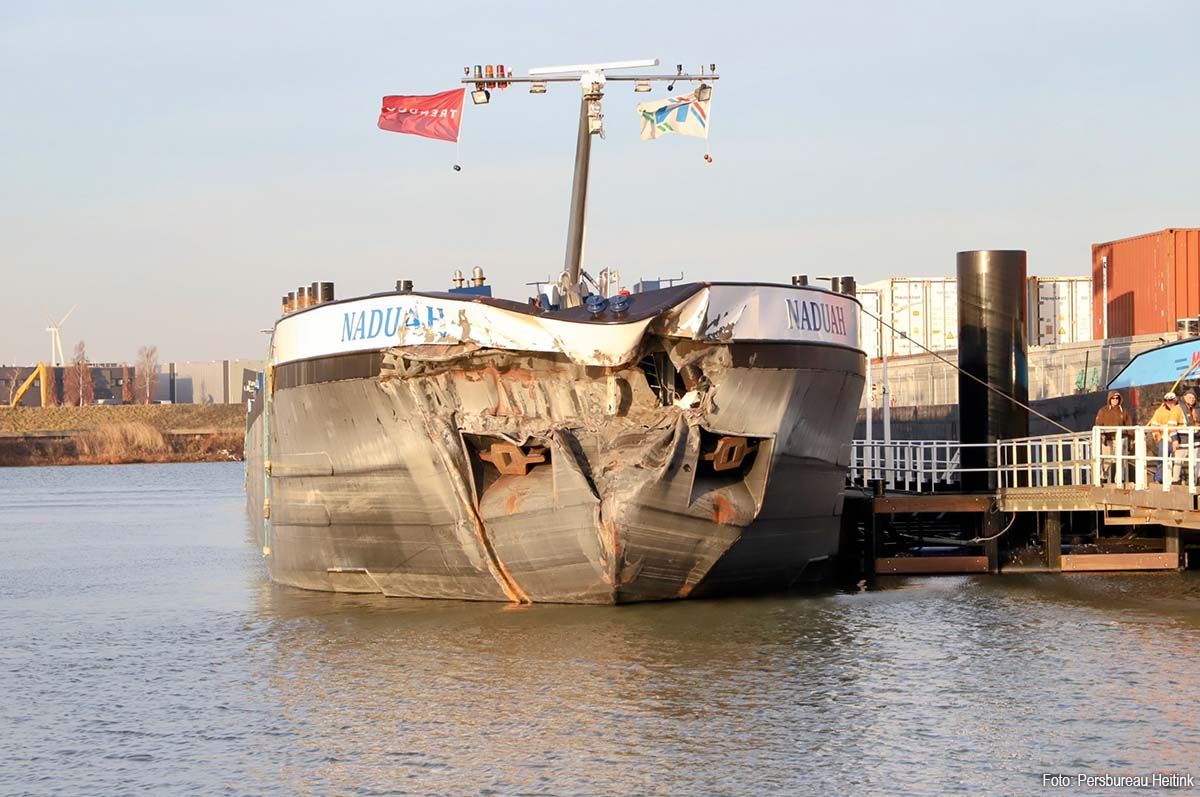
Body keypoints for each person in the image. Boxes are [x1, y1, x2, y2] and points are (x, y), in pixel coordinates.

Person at [1093, 390, 1132, 483]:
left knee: (1121, 460)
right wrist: (1102, 435)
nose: (1115, 400)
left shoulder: (1124, 411)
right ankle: (1103, 478)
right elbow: (1098, 424)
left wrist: (1131, 439)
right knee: (1106, 460)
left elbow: (1129, 425)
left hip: (1120, 439)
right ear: (1109, 399)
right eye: (1113, 398)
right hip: (1108, 439)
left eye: (1117, 398)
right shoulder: (1103, 411)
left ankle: (1119, 480)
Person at [1150, 392, 1185, 483]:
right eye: (1167, 401)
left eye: (1172, 401)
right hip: (1164, 438)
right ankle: (1158, 478)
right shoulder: (1160, 411)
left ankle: (1176, 478)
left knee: (1177, 460)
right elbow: (1154, 424)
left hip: (1178, 438)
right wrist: (1158, 437)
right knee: (1161, 459)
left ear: (1175, 400)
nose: (1169, 403)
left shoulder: (1181, 409)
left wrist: (1176, 438)